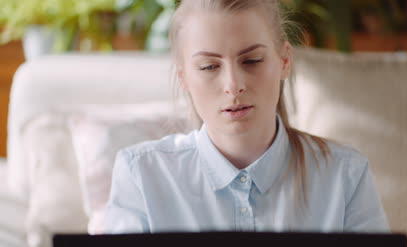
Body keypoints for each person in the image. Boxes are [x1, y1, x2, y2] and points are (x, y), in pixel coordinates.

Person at [103, 0, 389, 233]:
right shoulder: (141, 174)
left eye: (251, 60)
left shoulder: (346, 175)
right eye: (208, 67)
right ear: (184, 78)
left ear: (284, 61)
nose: (233, 84)